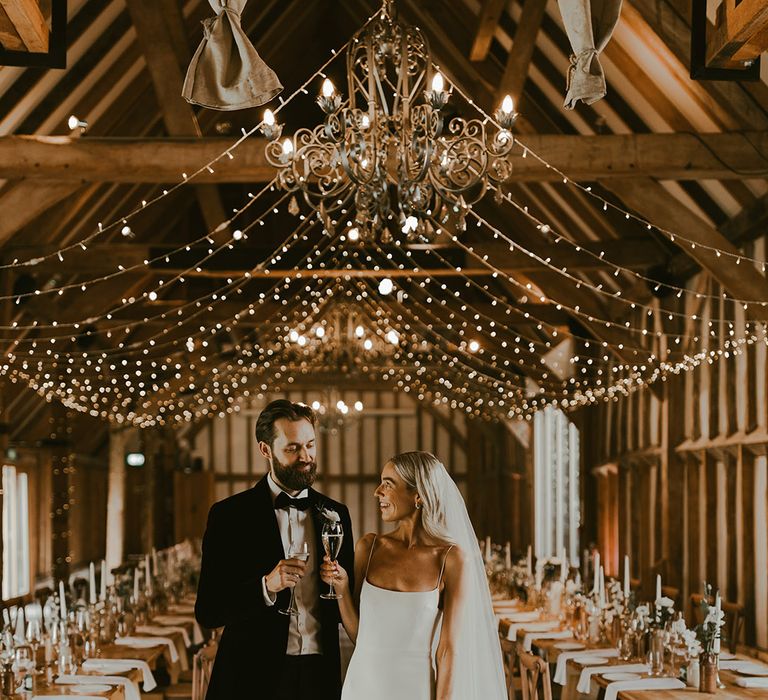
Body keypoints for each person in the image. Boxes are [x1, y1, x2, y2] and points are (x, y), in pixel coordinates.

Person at [195, 399, 354, 699]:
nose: (306, 456)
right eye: (293, 448)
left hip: (319, 675)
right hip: (250, 676)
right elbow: (209, 610)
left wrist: (342, 586)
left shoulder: (335, 513)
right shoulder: (229, 516)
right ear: (265, 450)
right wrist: (267, 586)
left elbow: (346, 602)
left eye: (310, 445)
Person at [321, 451, 506, 700]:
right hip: (362, 687)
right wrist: (342, 589)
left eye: (388, 484)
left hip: (417, 690)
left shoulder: (450, 558)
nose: (377, 492)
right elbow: (360, 635)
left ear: (418, 495)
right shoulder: (369, 548)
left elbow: (448, 650)